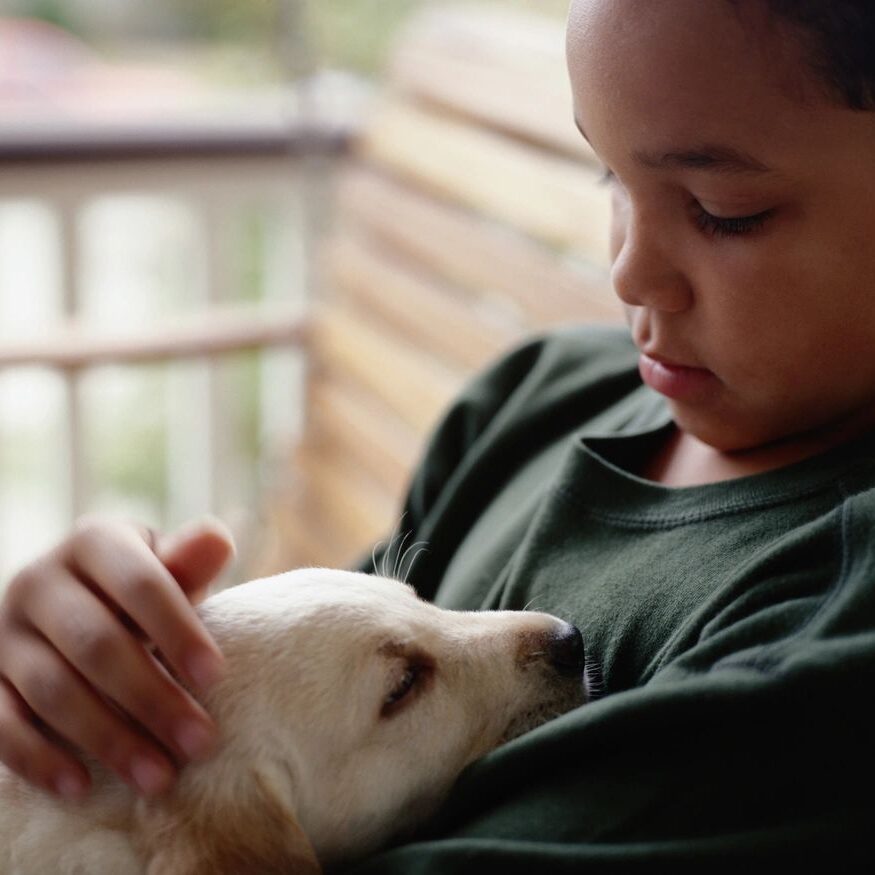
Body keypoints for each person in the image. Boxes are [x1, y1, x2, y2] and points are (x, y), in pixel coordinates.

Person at [2, 0, 875, 868]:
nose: (628, 271)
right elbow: (314, 720)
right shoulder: (531, 398)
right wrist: (84, 675)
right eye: (609, 176)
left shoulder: (827, 634)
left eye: (722, 210)